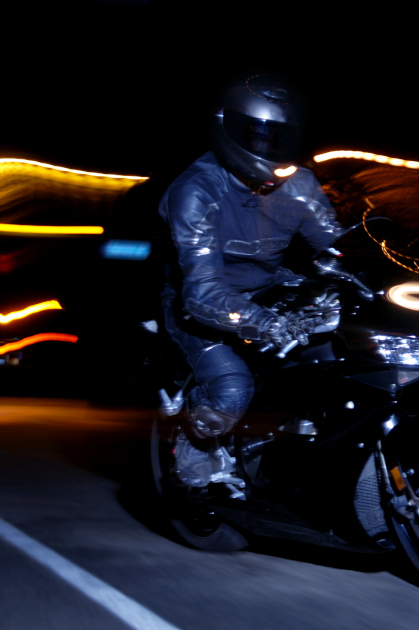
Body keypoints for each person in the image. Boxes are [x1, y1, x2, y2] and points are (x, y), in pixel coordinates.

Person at [158, 75, 344, 491]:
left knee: (337, 356)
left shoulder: (299, 184)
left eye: (281, 138)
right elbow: (202, 290)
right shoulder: (195, 190)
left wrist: (391, 267)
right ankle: (194, 449)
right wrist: (264, 323)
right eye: (258, 136)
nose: (271, 149)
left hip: (269, 287)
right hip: (197, 303)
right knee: (233, 388)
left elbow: (337, 244)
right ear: (226, 129)